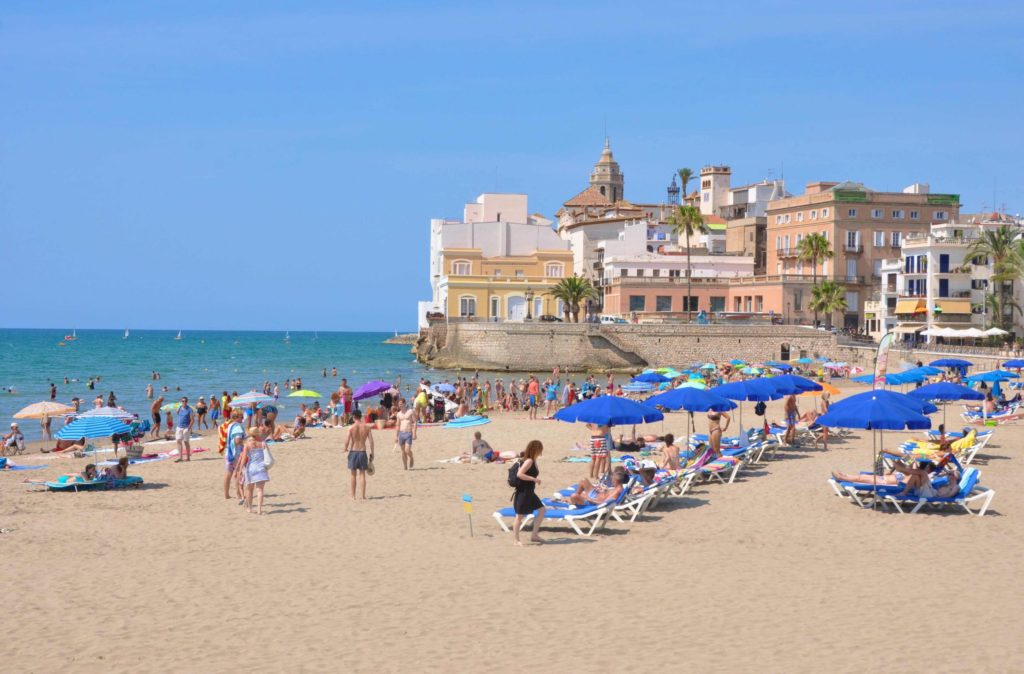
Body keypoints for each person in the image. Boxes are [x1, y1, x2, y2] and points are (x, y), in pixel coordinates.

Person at [512, 440, 546, 546]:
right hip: (523, 492)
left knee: (542, 510)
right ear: (536, 449)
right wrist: (534, 479)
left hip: (530, 492)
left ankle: (534, 535)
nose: (541, 451)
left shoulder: (533, 460)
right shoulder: (529, 461)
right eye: (540, 449)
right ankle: (516, 540)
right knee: (519, 517)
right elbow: (519, 474)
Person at [236, 430, 270, 515]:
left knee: (249, 490)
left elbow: (243, 459)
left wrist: (240, 471)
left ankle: (250, 508)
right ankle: (259, 510)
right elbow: (268, 454)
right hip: (261, 467)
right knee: (260, 490)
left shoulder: (247, 445)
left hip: (251, 468)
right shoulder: (263, 443)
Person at [344, 409, 374, 500]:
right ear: (360, 416)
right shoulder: (367, 427)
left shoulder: (351, 427)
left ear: (353, 417)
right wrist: (372, 452)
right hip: (362, 452)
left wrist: (345, 448)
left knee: (353, 475)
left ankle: (353, 496)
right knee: (362, 474)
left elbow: (346, 441)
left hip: (353, 452)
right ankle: (363, 496)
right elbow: (371, 442)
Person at [557, 470, 627, 507]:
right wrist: (603, 490)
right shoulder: (618, 488)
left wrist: (589, 499)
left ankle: (572, 501)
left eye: (612, 479)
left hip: (593, 501)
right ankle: (571, 500)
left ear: (616, 481)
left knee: (574, 495)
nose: (611, 480)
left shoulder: (617, 491)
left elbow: (604, 503)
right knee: (583, 480)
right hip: (596, 495)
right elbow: (608, 494)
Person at [224, 409, 245, 500]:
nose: (243, 419)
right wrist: (245, 440)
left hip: (229, 452)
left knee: (228, 473)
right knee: (238, 473)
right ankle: (239, 494)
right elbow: (237, 441)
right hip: (236, 453)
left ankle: (226, 494)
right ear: (236, 417)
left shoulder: (230, 425)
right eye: (241, 417)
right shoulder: (238, 427)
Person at [394, 398, 417, 470]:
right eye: (399, 404)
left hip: (408, 433)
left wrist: (414, 433)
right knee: (403, 451)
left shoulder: (410, 411)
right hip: (401, 433)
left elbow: (415, 422)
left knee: (407, 450)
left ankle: (411, 457)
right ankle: (405, 466)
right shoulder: (398, 414)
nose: (400, 405)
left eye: (401, 404)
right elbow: (397, 425)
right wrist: (396, 436)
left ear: (404, 403)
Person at [174, 396, 194, 462]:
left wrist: (189, 428)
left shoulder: (189, 409)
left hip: (186, 428)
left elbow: (192, 420)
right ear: (181, 402)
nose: (184, 402)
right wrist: (177, 410)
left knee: (186, 442)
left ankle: (188, 458)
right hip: (179, 427)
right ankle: (180, 457)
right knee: (178, 441)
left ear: (187, 402)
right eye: (182, 401)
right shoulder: (180, 408)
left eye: (185, 401)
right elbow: (178, 414)